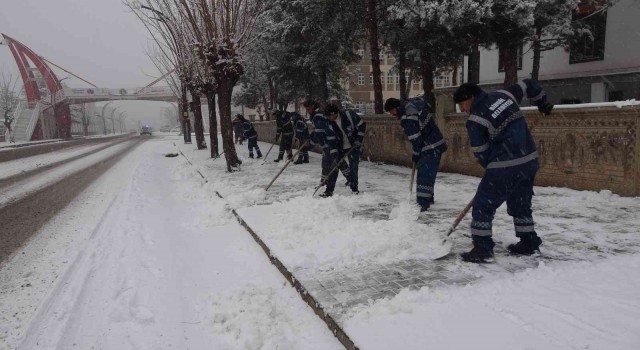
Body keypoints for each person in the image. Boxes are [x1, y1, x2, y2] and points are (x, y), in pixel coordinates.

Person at [453, 79, 553, 263]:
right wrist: (542, 102)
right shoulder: (504, 95)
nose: (461, 109)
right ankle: (528, 241)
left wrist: (493, 169)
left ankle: (482, 248)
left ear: (472, 98)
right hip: (529, 160)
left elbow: (481, 153)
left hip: (504, 166)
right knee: (520, 202)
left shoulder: (476, 120)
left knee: (483, 205)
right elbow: (528, 84)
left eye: (462, 103)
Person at [384, 96, 447, 212]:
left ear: (396, 107)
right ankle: (428, 200)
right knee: (428, 174)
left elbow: (416, 139)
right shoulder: (412, 106)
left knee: (424, 174)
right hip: (436, 143)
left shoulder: (408, 117)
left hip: (430, 146)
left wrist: (415, 154)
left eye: (391, 111)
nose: (392, 114)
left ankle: (423, 204)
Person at [302, 100, 352, 197]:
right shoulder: (318, 115)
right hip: (330, 143)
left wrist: (310, 145)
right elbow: (316, 131)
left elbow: (319, 133)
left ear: (313, 107)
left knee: (333, 163)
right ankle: (327, 181)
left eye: (308, 109)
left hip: (329, 143)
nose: (307, 111)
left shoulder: (318, 117)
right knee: (334, 162)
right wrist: (310, 139)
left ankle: (330, 182)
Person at [324, 104, 366, 194]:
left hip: (353, 144)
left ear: (334, 113)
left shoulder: (348, 115)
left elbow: (362, 125)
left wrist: (359, 140)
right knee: (334, 166)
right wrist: (334, 155)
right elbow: (331, 141)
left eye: (329, 116)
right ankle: (329, 191)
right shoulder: (328, 124)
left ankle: (354, 189)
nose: (328, 118)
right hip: (340, 147)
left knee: (353, 166)